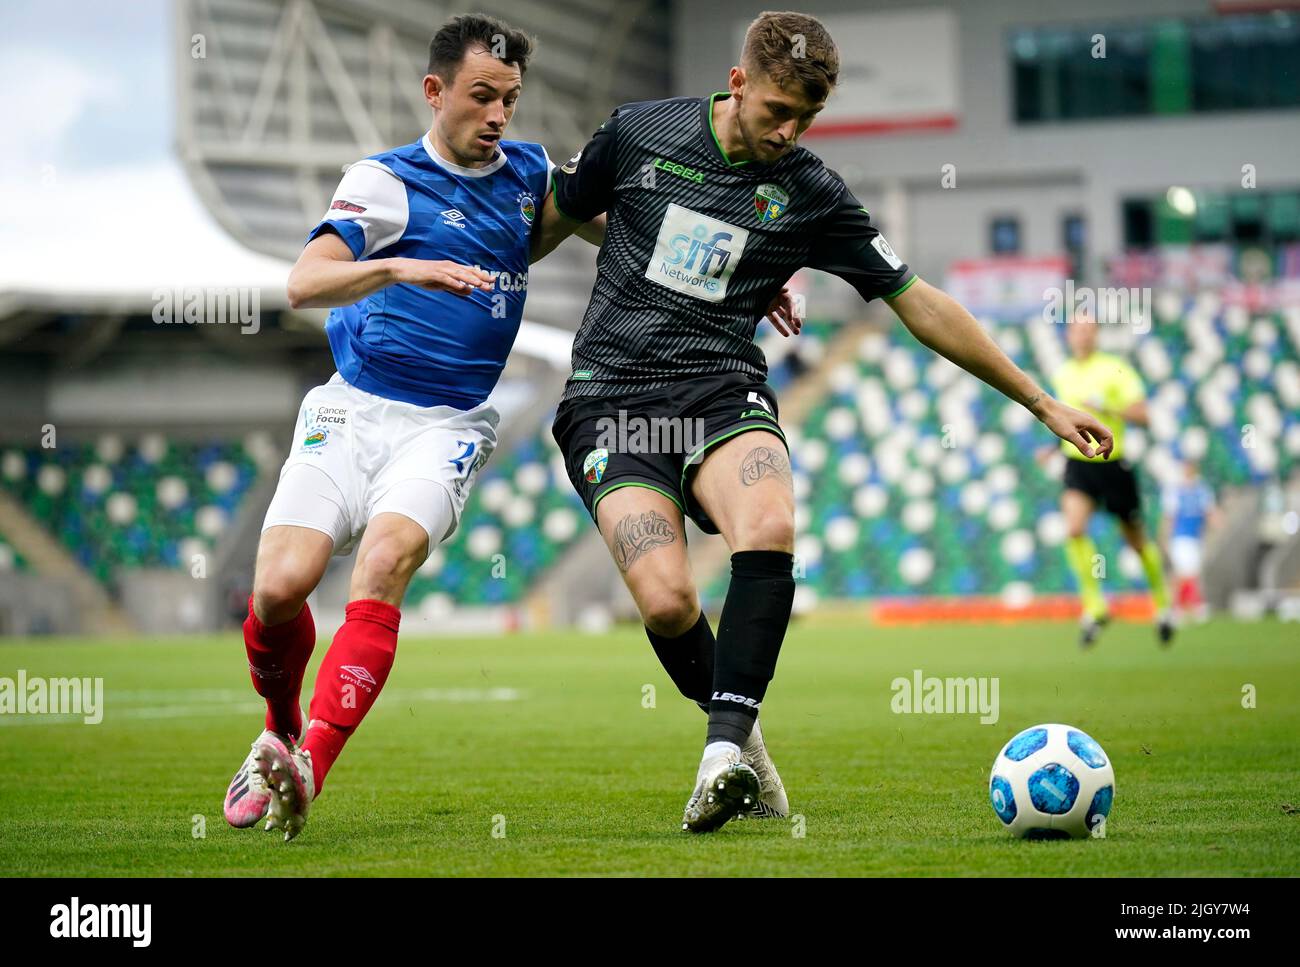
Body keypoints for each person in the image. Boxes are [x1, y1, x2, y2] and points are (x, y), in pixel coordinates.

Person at [529, 10, 1113, 832]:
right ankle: (745, 742)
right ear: (737, 83)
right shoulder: (637, 133)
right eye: (777, 111)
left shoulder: (809, 191)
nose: (790, 130)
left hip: (719, 390)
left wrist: (1041, 398)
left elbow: (922, 304)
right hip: (610, 398)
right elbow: (552, 222)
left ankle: (718, 755)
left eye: (807, 117)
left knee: (767, 519)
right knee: (665, 601)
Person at [1049, 313, 1173, 647]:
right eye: (1077, 330)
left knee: (1135, 541)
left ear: (1097, 334)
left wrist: (1108, 407)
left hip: (1112, 461)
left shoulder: (1114, 369)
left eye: (1089, 330)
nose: (1082, 336)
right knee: (1073, 529)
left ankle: (1161, 604)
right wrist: (1050, 447)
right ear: (1069, 335)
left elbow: (1144, 414)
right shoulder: (1063, 373)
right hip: (1078, 463)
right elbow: (1062, 418)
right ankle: (1095, 606)